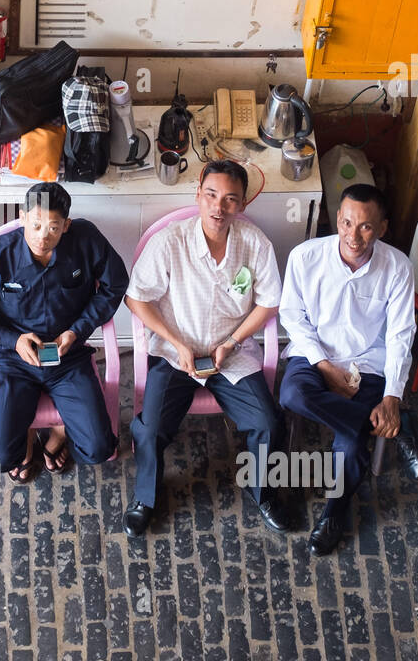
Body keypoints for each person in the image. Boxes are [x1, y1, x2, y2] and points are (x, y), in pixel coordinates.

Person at [123, 159, 298, 538]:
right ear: (198, 195)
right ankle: (145, 498)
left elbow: (270, 303)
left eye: (230, 199)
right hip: (176, 354)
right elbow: (136, 299)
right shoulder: (170, 241)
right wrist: (175, 341)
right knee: (150, 428)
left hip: (231, 354)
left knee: (269, 421)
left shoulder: (255, 245)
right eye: (211, 196)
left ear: (243, 205)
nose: (219, 208)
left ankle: (263, 492)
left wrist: (232, 342)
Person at [278, 183, 418, 557]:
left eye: (365, 227)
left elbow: (400, 334)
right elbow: (292, 317)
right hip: (314, 355)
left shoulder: (398, 268)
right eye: (346, 223)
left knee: (350, 445)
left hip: (368, 362)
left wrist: (392, 394)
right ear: (337, 219)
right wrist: (325, 368)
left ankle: (334, 513)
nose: (353, 235)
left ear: (382, 228)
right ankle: (390, 426)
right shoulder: (305, 257)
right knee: (293, 394)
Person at [0, 182, 128, 482]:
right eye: (35, 225)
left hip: (68, 357)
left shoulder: (86, 239)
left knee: (98, 448)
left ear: (67, 225)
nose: (42, 236)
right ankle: (28, 435)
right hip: (15, 359)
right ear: (21, 218)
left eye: (53, 228)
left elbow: (115, 285)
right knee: (1, 458)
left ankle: (58, 432)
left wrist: (77, 330)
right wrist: (12, 340)